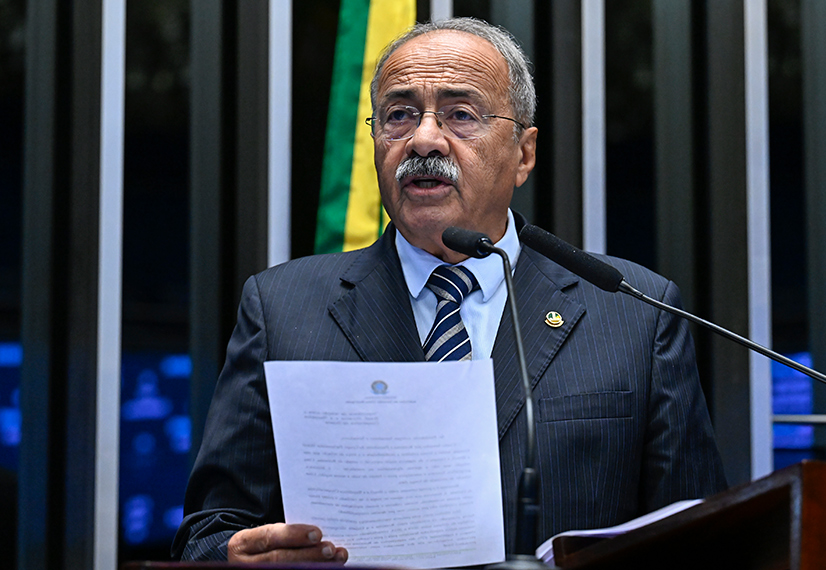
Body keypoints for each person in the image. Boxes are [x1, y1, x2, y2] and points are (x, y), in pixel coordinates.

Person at [172, 17, 727, 563]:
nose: (423, 139)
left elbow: (703, 540)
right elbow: (208, 534)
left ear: (524, 154)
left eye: (461, 114)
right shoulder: (282, 309)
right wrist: (235, 557)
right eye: (398, 115)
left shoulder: (633, 313)